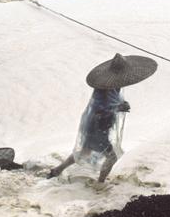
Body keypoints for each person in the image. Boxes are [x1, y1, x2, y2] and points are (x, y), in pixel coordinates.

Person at [49, 53, 158, 183]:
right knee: (112, 157)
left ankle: (57, 170)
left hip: (95, 125)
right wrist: (117, 108)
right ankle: (100, 182)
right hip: (98, 126)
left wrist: (121, 105)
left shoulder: (112, 86)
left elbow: (111, 103)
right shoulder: (104, 90)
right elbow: (100, 109)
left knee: (85, 151)